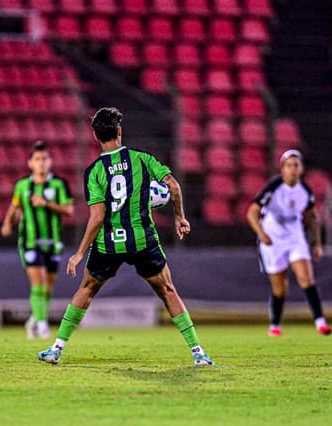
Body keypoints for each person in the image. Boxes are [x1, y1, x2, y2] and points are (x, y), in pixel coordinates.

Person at [38, 107, 214, 366]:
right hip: (142, 240)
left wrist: (79, 253)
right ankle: (198, 353)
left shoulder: (94, 171)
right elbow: (173, 186)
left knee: (86, 289)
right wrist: (179, 217)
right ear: (119, 131)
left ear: (96, 136)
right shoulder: (142, 159)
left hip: (108, 243)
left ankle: (56, 349)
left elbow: (97, 217)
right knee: (167, 290)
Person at [245, 149, 332, 337]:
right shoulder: (273, 187)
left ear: (301, 169)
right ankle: (275, 324)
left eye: (296, 165)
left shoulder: (305, 190)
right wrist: (261, 233)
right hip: (273, 239)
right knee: (280, 287)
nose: (293, 169)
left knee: (306, 279)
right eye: (289, 165)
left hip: (295, 237)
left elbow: (312, 216)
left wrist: (316, 243)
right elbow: (252, 213)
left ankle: (320, 322)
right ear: (282, 168)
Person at [0, 140, 74, 339]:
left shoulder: (59, 185)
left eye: (45, 159)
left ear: (50, 162)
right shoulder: (22, 186)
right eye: (38, 159)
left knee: (48, 286)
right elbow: (15, 206)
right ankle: (42, 326)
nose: (42, 163)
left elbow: (68, 210)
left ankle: (33, 319)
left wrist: (46, 204)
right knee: (38, 283)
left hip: (53, 242)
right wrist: (8, 223)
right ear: (30, 163)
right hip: (30, 242)